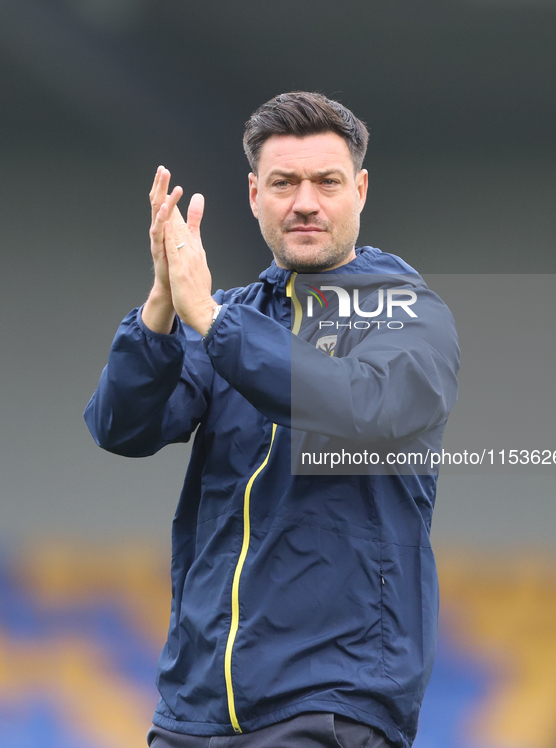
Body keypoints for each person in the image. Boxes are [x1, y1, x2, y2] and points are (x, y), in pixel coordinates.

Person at [84, 92, 460, 748]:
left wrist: (212, 319)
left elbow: (356, 406)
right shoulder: (224, 317)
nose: (305, 202)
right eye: (284, 183)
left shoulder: (409, 316)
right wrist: (161, 307)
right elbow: (123, 428)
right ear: (255, 193)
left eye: (326, 182)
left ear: (360, 190)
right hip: (193, 709)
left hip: (330, 703)